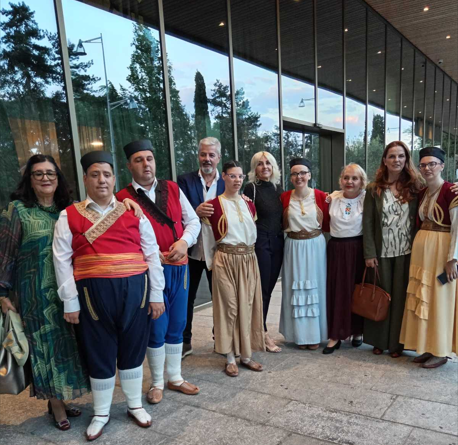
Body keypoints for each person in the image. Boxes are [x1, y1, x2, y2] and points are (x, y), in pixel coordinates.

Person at [53, 151, 165, 441]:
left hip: (136, 292)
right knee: (98, 351)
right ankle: (101, 412)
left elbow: (151, 254)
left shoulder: (134, 212)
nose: (101, 180)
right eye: (95, 175)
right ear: (85, 179)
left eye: (106, 174)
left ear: (115, 179)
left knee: (133, 347)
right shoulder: (68, 215)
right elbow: (61, 261)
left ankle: (134, 404)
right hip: (92, 296)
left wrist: (156, 294)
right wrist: (70, 301)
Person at [0, 155, 89, 431]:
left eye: (50, 173)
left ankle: (59, 397)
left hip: (68, 290)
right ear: (29, 180)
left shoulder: (69, 210)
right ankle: (57, 404)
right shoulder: (17, 210)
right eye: (38, 173)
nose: (45, 178)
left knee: (67, 346)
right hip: (34, 293)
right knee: (45, 347)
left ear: (58, 178)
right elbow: (5, 254)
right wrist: (2, 294)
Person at [116, 139, 201, 404]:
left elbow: (193, 220)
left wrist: (185, 241)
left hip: (179, 267)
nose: (146, 164)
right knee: (156, 325)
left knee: (177, 323)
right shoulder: (121, 198)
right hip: (149, 272)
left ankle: (175, 377)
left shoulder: (172, 188)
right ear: (129, 165)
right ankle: (156, 383)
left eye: (149, 159)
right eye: (139, 160)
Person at [203, 160, 265, 377]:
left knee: (247, 306)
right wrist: (212, 264)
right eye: (232, 176)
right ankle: (230, 357)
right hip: (225, 258)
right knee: (228, 308)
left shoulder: (249, 204)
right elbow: (207, 238)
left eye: (240, 176)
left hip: (248, 258)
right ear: (223, 177)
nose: (237, 180)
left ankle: (246, 355)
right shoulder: (213, 205)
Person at [363, 141, 423, 357]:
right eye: (392, 156)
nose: (396, 160)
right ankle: (379, 341)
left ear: (406, 159)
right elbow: (368, 222)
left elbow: (438, 190)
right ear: (385, 160)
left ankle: (397, 344)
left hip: (407, 253)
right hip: (382, 253)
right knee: (381, 297)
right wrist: (369, 253)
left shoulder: (416, 187)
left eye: (401, 156)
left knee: (400, 299)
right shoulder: (374, 189)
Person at [400, 147, 457, 369]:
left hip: (442, 251)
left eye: (432, 164)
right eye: (423, 165)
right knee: (423, 296)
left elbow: (457, 228)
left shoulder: (451, 191)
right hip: (422, 250)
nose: (427, 168)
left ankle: (441, 350)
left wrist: (453, 259)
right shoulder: (423, 192)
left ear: (442, 165)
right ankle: (426, 345)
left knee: (440, 298)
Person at [177, 137, 225, 358]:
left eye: (211, 155)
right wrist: (195, 211)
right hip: (193, 250)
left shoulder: (226, 181)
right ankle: (185, 341)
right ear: (198, 156)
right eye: (203, 154)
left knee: (221, 298)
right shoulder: (184, 181)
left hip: (219, 251)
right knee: (187, 298)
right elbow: (177, 213)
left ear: (218, 158)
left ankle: (221, 339)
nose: (207, 159)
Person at [279, 158, 329, 350]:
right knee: (294, 287)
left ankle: (315, 334)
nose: (298, 177)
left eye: (302, 173)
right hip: (293, 246)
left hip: (315, 245)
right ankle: (299, 335)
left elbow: (330, 220)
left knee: (316, 287)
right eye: (294, 173)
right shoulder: (284, 197)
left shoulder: (321, 196)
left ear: (309, 175)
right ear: (290, 177)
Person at [323, 163, 367, 354]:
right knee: (337, 291)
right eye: (346, 177)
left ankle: (357, 331)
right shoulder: (332, 198)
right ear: (341, 180)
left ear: (361, 181)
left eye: (354, 178)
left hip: (358, 248)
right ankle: (336, 334)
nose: (350, 181)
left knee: (356, 291)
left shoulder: (367, 198)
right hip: (336, 248)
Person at [244, 151, 284, 353]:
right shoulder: (251, 188)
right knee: (262, 290)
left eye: (268, 163)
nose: (265, 166)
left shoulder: (278, 188)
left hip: (278, 242)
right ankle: (262, 332)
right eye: (260, 164)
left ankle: (259, 329)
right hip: (261, 242)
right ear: (255, 168)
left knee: (268, 288)